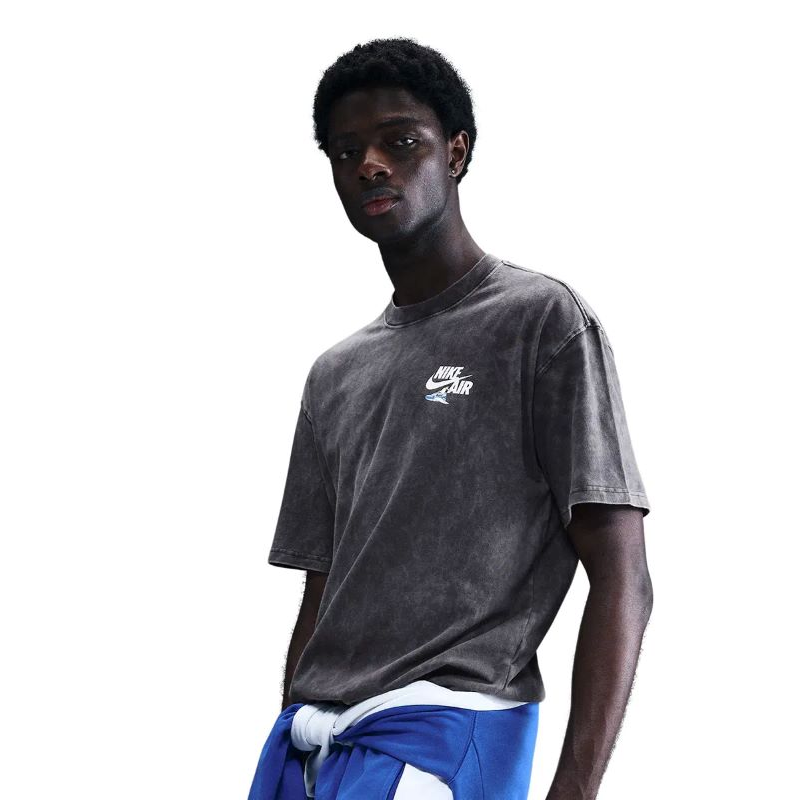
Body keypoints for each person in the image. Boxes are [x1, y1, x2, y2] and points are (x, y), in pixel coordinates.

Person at [248, 36, 653, 800]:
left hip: (442, 738)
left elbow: (623, 573)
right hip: (311, 749)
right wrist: (291, 732)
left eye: (400, 142)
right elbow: (323, 589)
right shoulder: (334, 374)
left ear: (456, 151)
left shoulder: (541, 323)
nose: (371, 165)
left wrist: (573, 792)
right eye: (347, 151)